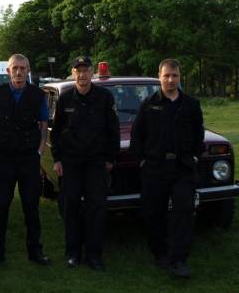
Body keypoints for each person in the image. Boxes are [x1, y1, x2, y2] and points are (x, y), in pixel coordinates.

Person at [130, 58, 204, 279]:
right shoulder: (149, 104)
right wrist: (142, 161)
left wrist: (194, 157)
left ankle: (178, 259)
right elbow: (137, 136)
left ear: (180, 77)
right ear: (159, 77)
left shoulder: (191, 104)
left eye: (175, 76)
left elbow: (198, 134)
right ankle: (160, 253)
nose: (171, 80)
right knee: (153, 213)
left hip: (182, 167)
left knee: (184, 210)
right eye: (167, 76)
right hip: (155, 167)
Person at [51, 56, 120, 271]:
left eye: (85, 70)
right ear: (73, 73)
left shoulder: (104, 97)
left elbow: (113, 130)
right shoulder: (65, 98)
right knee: (70, 207)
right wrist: (57, 159)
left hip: (95, 162)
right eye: (78, 70)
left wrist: (110, 158)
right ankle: (73, 253)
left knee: (96, 209)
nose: (82, 75)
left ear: (92, 73)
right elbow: (57, 132)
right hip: (71, 162)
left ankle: (94, 255)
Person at [0, 54, 51, 267]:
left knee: (31, 206)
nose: (19, 72)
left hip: (29, 158)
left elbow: (43, 124)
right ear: (8, 71)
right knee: (0, 206)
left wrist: (40, 151)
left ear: (28, 70)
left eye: (23, 68)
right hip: (4, 158)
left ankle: (35, 251)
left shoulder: (37, 94)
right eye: (15, 68)